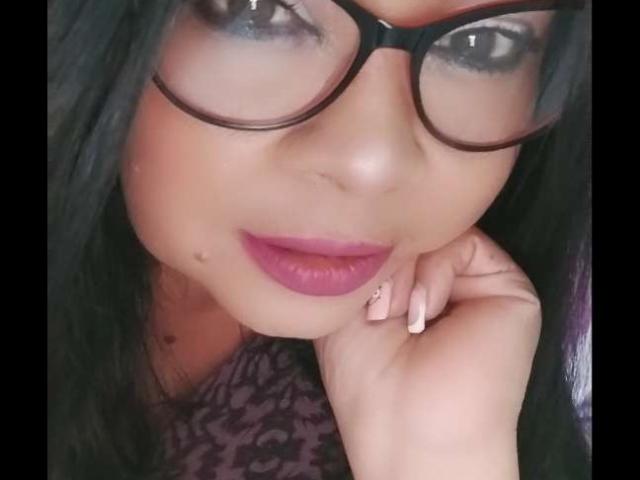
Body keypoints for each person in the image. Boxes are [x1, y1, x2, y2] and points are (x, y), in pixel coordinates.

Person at [48, 0, 592, 478]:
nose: (372, 162)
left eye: (483, 44)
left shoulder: (481, 376)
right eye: (259, 11)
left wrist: (444, 459)